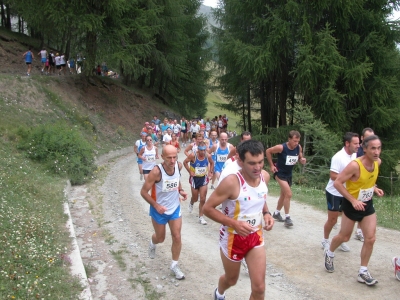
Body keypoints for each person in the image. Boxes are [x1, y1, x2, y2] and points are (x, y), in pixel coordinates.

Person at [203, 140, 274, 300]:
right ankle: (219, 293)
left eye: (261, 162)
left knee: (259, 288)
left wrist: (267, 213)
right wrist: (234, 223)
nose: (257, 167)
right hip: (232, 238)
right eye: (252, 163)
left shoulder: (265, 177)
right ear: (240, 161)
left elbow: (260, 197)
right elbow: (207, 209)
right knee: (231, 279)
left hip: (256, 236)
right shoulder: (231, 182)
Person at [324, 135, 384, 286]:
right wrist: (353, 200)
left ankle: (363, 272)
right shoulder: (355, 165)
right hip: (351, 205)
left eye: (379, 148)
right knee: (344, 237)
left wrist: (375, 189)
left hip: (367, 205)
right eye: (373, 148)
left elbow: (367, 181)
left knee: (370, 238)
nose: (376, 152)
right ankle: (330, 252)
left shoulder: (377, 163)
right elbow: (337, 183)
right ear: (364, 149)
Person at [140, 145, 188, 280]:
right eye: (169, 158)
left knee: (177, 236)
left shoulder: (178, 166)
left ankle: (174, 265)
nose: (172, 161)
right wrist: (156, 205)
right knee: (160, 238)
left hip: (174, 209)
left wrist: (181, 190)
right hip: (158, 210)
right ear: (162, 157)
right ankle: (152, 242)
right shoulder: (156, 172)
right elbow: (143, 192)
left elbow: (176, 181)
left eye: (174, 157)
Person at [321, 132, 359, 252]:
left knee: (346, 218)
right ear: (347, 143)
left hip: (346, 192)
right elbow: (333, 176)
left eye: (359, 143)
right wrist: (350, 177)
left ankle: (340, 239)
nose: (358, 146)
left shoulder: (354, 155)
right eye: (355, 143)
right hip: (334, 192)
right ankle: (325, 240)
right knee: (333, 220)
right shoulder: (338, 157)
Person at [265, 130, 306, 227]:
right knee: (288, 194)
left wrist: (302, 160)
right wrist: (271, 165)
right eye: (294, 141)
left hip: (289, 174)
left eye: (298, 141)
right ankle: (287, 218)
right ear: (289, 139)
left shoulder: (298, 147)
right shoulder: (281, 147)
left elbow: (300, 158)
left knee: (283, 195)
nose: (296, 143)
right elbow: (268, 151)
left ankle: (277, 213)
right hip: (279, 173)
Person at [183, 141, 214, 225]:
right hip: (194, 179)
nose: (203, 152)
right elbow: (185, 162)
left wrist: (210, 172)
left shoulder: (208, 156)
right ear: (198, 150)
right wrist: (190, 172)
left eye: (204, 150)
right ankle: (191, 202)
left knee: (203, 198)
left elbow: (212, 163)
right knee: (195, 198)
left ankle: (201, 217)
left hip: (203, 178)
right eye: (201, 150)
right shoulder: (193, 155)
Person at [354, 127, 375, 242]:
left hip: (366, 187)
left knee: (364, 206)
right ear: (362, 138)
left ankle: (359, 230)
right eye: (367, 138)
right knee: (343, 211)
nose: (369, 140)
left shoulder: (372, 152)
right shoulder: (357, 149)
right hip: (354, 185)